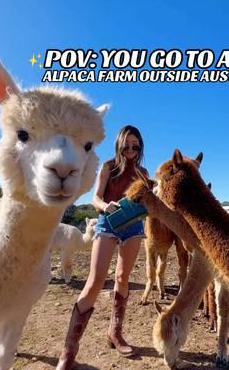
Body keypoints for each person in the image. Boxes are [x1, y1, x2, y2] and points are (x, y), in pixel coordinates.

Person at [56, 125, 148, 370]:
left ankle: (115, 333)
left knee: (122, 277)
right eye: (126, 145)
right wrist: (105, 206)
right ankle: (68, 352)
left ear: (140, 146)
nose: (130, 149)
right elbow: (95, 198)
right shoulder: (108, 167)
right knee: (95, 281)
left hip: (134, 226)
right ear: (119, 145)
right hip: (108, 221)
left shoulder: (143, 173)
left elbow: (149, 200)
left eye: (135, 145)